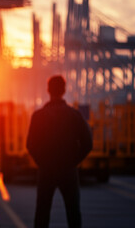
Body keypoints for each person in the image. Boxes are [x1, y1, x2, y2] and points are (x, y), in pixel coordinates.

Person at [26, 75, 92, 228]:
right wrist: (73, 162)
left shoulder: (38, 116)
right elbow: (88, 143)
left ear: (48, 90)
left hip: (46, 171)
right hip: (68, 171)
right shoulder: (74, 115)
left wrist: (42, 163)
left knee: (42, 213)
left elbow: (30, 144)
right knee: (73, 213)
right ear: (64, 90)